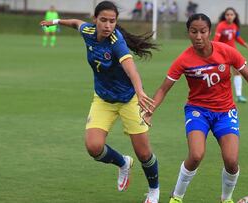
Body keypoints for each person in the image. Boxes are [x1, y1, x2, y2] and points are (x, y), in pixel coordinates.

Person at [142, 13, 248, 203]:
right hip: (198, 111)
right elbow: (164, 88)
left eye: (203, 31)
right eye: (193, 31)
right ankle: (177, 197)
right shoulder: (183, 60)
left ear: (209, 32)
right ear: (188, 33)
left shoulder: (226, 52)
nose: (198, 36)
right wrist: (150, 111)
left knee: (231, 161)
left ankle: (226, 198)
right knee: (196, 155)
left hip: (225, 112)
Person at [40, 1, 159, 202]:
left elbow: (131, 69)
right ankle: (123, 163)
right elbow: (76, 23)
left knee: (144, 153)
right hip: (103, 99)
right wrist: (57, 21)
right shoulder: (87, 30)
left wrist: (139, 92)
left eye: (112, 21)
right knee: (94, 147)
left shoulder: (116, 41)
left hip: (129, 100)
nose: (107, 25)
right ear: (95, 19)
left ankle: (154, 190)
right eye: (103, 20)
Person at [214, 7, 248, 103]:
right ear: (225, 16)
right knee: (221, 74)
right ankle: (217, 95)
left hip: (233, 53)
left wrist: (247, 46)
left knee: (238, 72)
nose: (229, 16)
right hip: (222, 53)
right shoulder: (221, 26)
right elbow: (216, 40)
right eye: (227, 15)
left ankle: (239, 96)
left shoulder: (234, 26)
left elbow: (237, 38)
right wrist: (215, 51)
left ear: (235, 16)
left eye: (231, 15)